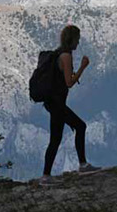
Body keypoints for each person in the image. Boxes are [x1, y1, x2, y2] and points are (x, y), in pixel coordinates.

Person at [40, 24, 99, 184]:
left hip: (53, 103)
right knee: (80, 127)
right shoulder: (66, 56)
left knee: (56, 139)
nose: (78, 43)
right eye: (77, 39)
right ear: (71, 40)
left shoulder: (59, 53)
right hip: (57, 104)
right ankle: (82, 165)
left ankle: (46, 175)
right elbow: (69, 82)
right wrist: (82, 67)